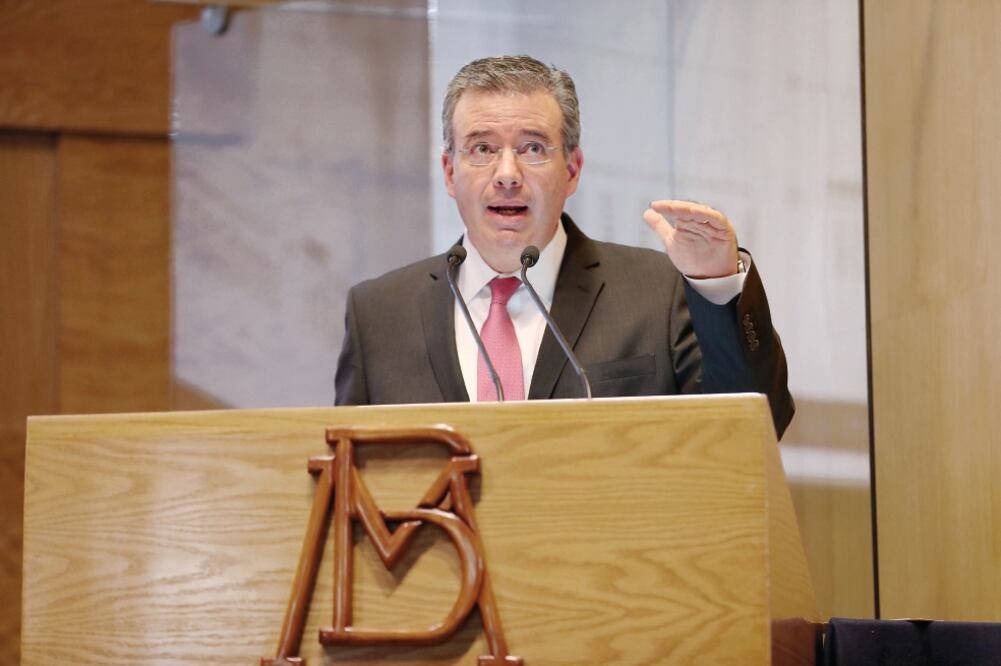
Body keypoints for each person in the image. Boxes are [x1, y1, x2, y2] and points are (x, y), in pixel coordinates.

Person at [335, 55, 794, 438]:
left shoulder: (657, 292)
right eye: (481, 148)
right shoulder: (379, 314)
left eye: (533, 148)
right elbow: (347, 482)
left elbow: (757, 427)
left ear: (572, 169)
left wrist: (715, 286)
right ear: (450, 172)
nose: (507, 173)